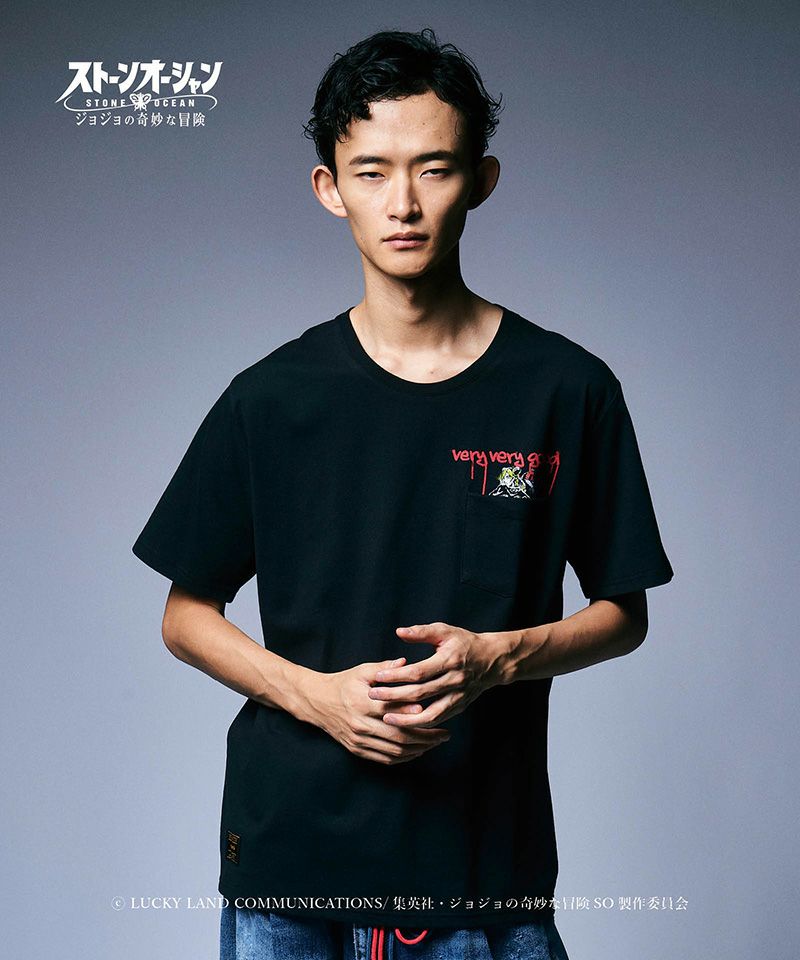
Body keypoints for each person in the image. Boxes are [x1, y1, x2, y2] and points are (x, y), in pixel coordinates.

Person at [131, 27, 674, 960]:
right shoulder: (271, 398)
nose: (405, 204)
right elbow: (185, 616)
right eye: (373, 172)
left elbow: (624, 612)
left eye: (435, 169)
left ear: (482, 180)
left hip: (481, 874)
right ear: (329, 188)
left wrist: (499, 657)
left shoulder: (566, 390)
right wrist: (319, 699)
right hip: (289, 876)